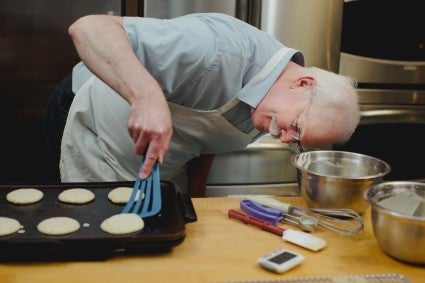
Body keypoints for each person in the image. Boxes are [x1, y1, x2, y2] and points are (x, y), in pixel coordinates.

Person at [43, 13, 360, 197]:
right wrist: (146, 97)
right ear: (303, 84)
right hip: (87, 124)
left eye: (298, 143)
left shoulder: (273, 105)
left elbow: (209, 132)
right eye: (298, 127)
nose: (287, 139)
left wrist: (196, 192)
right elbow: (87, 28)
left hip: (153, 172)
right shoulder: (216, 49)